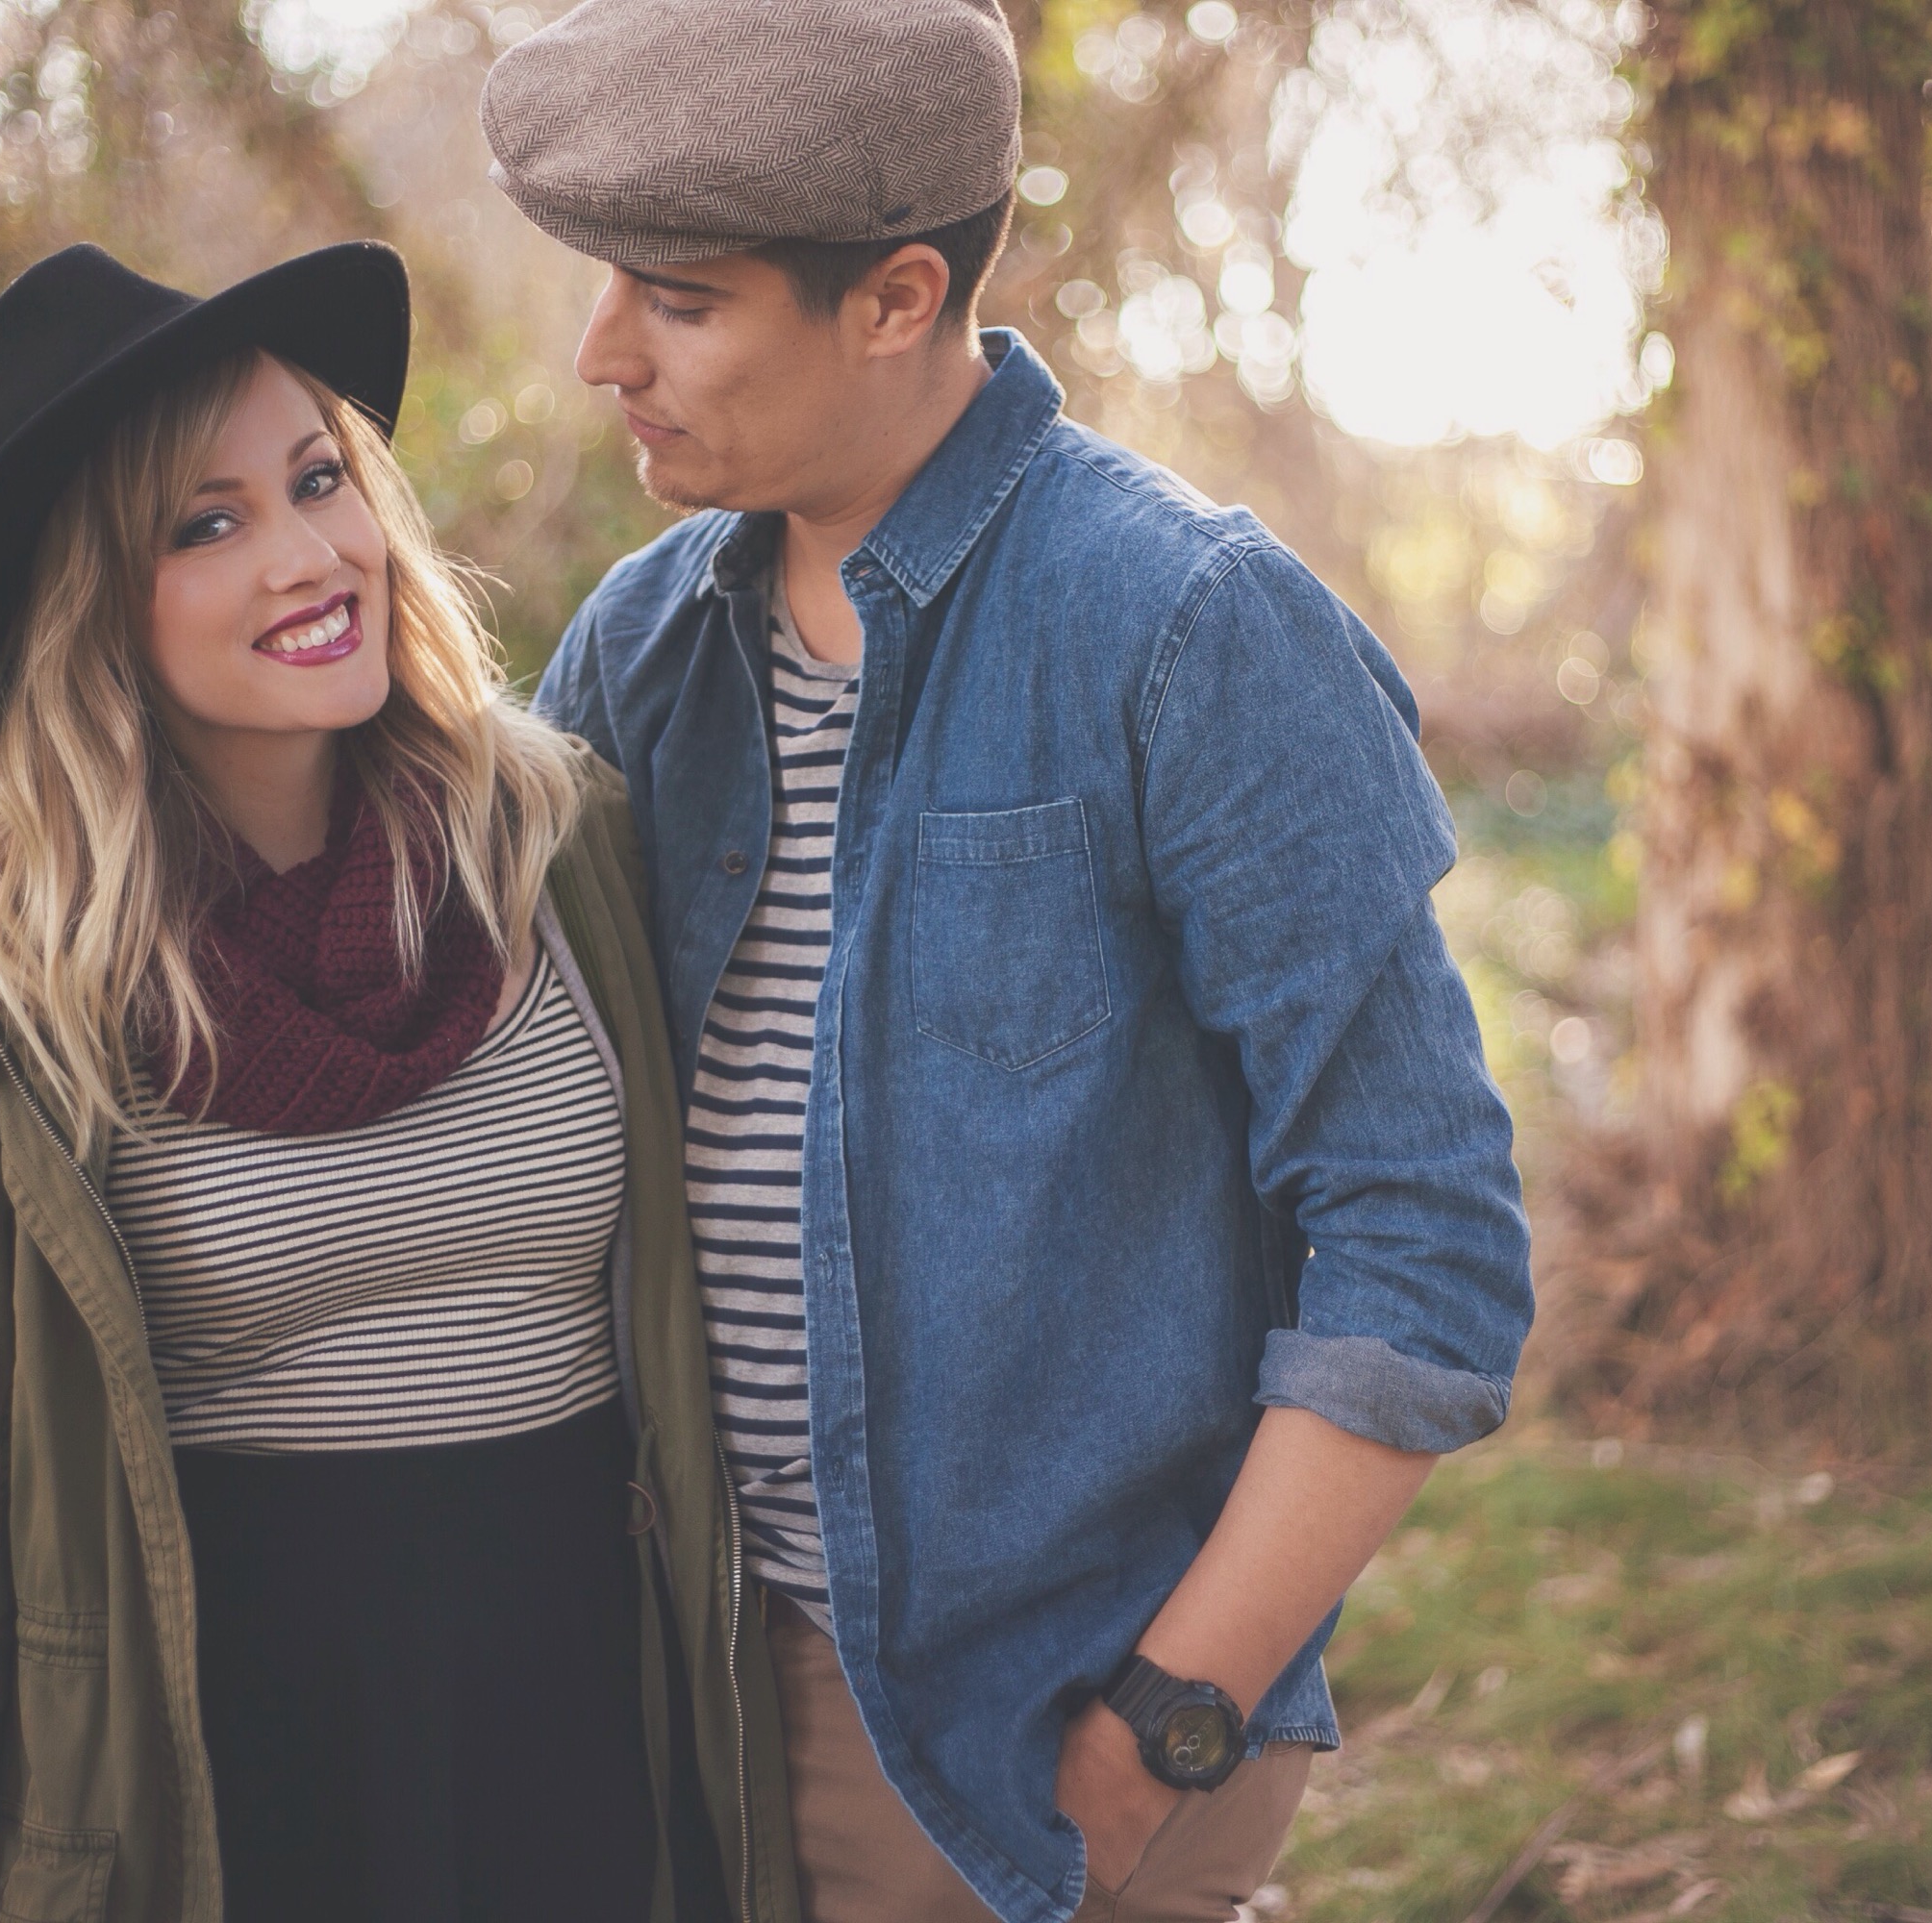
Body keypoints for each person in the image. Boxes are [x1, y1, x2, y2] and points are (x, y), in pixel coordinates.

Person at [476, 2, 1538, 1917]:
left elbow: (1425, 1235)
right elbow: (462, 1053)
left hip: (1030, 1733)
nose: (602, 354)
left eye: (681, 303)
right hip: (695, 1674)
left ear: (896, 299)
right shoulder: (643, 643)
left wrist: (1166, 1721)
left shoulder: (1188, 625)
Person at [0, 242, 793, 1923]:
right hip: (233, 1776)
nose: (314, 554)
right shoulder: (12, 1001)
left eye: (319, 480)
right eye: (208, 523)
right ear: (89, 608)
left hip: (591, 1727)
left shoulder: (565, 849)